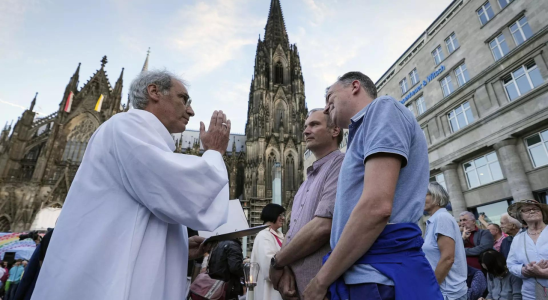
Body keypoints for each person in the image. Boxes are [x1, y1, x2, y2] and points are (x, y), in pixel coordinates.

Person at [31, 70, 232, 300]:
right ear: (154, 92)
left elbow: (129, 224)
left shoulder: (140, 135)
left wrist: (179, 247)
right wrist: (215, 152)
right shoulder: (128, 126)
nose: (191, 111)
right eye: (183, 99)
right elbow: (192, 198)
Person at [304, 72, 441, 300]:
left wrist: (321, 280)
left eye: (330, 99)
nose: (326, 109)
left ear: (355, 86)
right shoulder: (361, 132)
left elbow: (376, 207)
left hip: (379, 277)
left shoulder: (382, 108)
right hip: (369, 274)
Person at [268, 108, 344, 299]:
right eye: (305, 126)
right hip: (299, 291)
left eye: (314, 124)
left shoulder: (342, 165)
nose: (306, 131)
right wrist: (283, 273)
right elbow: (291, 233)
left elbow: (322, 227)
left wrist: (277, 263)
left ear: (335, 130)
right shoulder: (304, 184)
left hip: (323, 291)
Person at [423, 182, 468, 300]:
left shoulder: (442, 218)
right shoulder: (434, 220)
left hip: (448, 293)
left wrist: (431, 287)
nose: (419, 197)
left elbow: (448, 258)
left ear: (436, 197)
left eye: (424, 194)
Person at [507, 199, 548, 300]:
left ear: (542, 213)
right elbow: (511, 264)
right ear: (520, 216)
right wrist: (524, 270)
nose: (532, 211)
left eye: (536, 209)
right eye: (527, 210)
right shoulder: (518, 239)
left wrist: (544, 273)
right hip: (531, 294)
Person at [249, 204, 286, 300]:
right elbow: (268, 264)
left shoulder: (277, 235)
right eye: (280, 215)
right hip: (270, 289)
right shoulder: (264, 235)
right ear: (272, 215)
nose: (283, 218)